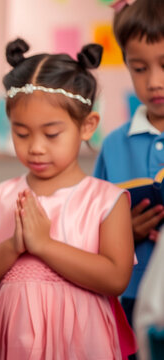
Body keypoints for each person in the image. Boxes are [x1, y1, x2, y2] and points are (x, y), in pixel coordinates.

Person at [0, 38, 135, 359]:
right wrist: (13, 245)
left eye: (52, 134)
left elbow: (115, 278)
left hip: (81, 341)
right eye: (22, 133)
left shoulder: (106, 200)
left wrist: (44, 245)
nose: (36, 147)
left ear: (87, 126)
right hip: (15, 341)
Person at [94, 0, 164, 330]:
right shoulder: (114, 145)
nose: (154, 81)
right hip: (134, 293)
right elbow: (93, 226)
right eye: (140, 68)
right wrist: (125, 233)